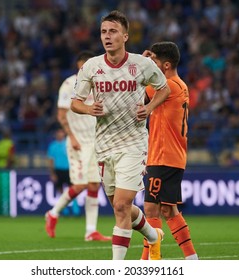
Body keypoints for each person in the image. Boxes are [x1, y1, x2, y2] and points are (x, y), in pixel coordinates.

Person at [71, 10, 171, 260]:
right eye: (104, 31)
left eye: (113, 31)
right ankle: (152, 235)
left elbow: (164, 89)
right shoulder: (92, 67)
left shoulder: (142, 64)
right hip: (104, 144)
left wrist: (148, 108)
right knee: (123, 207)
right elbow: (75, 103)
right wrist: (88, 108)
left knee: (121, 206)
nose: (107, 36)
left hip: (133, 143)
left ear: (125, 36)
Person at [140, 41, 198, 260]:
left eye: (154, 61)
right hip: (174, 156)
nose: (151, 64)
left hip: (162, 156)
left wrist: (137, 64)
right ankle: (192, 258)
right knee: (169, 210)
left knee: (151, 209)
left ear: (164, 65)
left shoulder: (167, 86)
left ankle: (149, 260)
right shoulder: (180, 84)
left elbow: (137, 92)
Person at [45, 52, 111, 241]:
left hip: (95, 141)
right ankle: (53, 213)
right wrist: (71, 136)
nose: (85, 69)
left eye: (88, 65)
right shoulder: (69, 84)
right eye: (82, 65)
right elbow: (61, 114)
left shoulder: (99, 84)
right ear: (78, 66)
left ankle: (91, 231)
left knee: (93, 184)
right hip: (78, 142)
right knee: (81, 184)